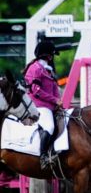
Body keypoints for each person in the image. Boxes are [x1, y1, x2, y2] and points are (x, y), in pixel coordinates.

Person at [24, 39, 62, 167]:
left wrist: (58, 102)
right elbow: (36, 91)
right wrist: (55, 100)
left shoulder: (47, 70)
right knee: (49, 127)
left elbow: (54, 89)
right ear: (48, 55)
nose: (52, 57)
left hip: (49, 105)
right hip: (38, 105)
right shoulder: (35, 69)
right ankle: (43, 156)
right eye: (51, 55)